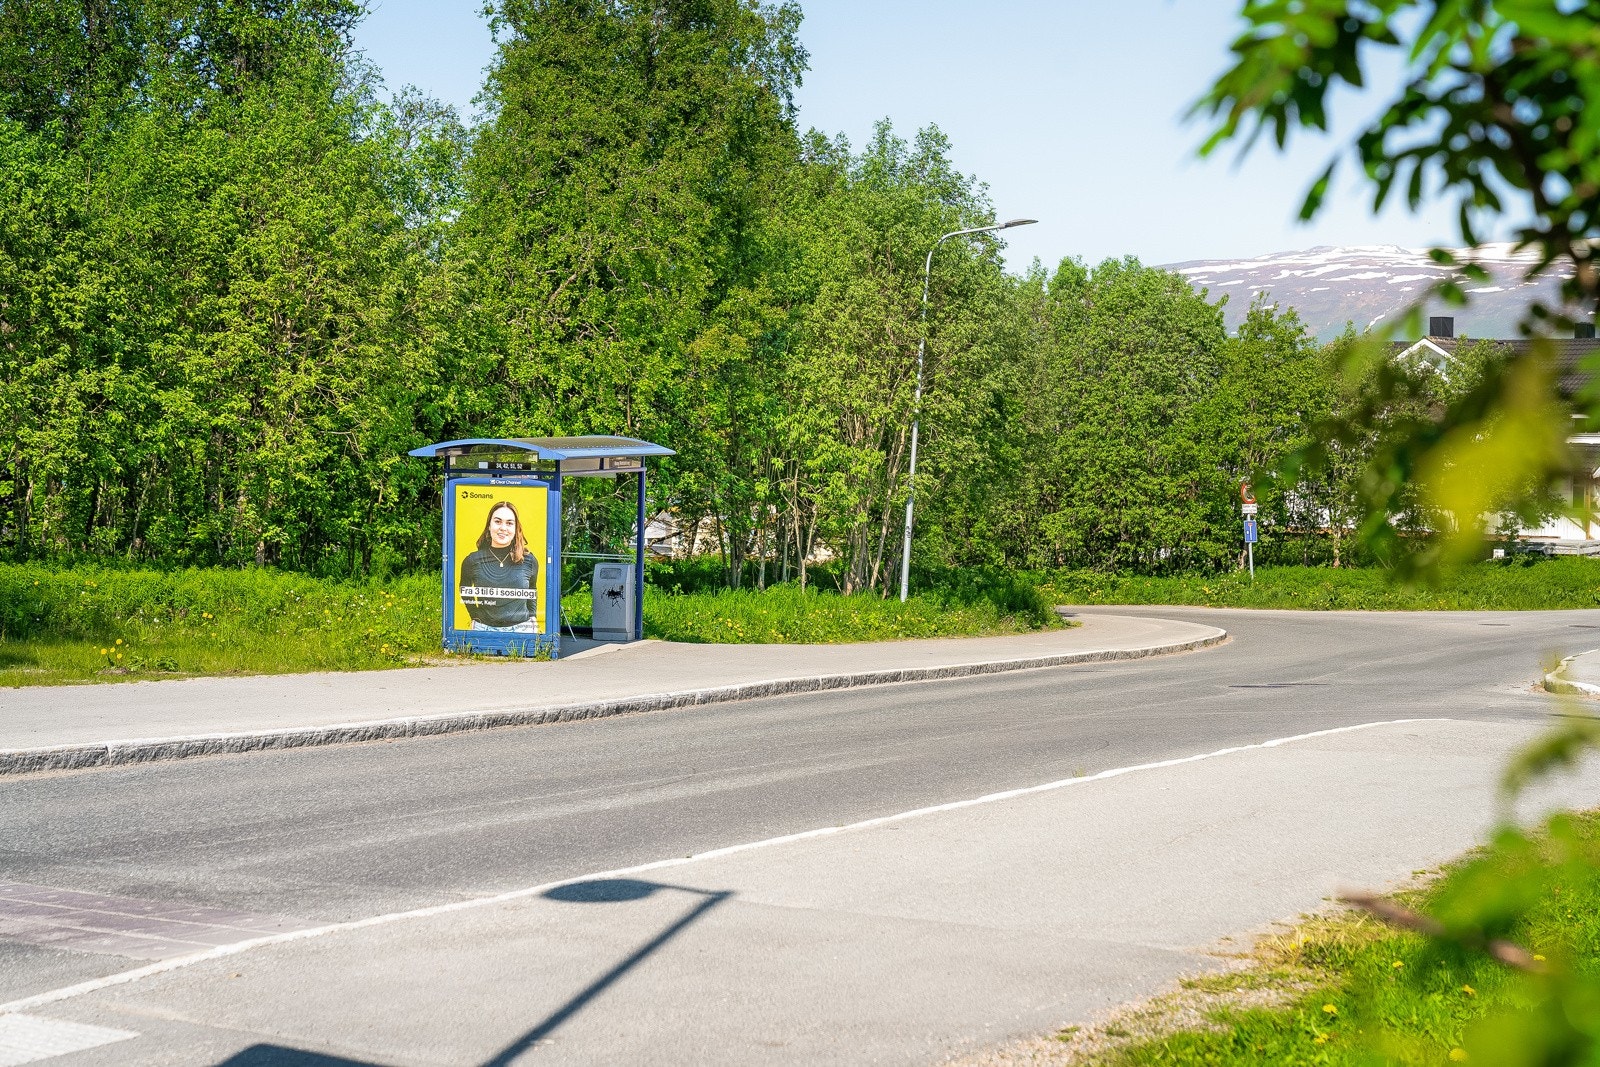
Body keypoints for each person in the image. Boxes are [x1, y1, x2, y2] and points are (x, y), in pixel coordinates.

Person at [459, 500, 539, 631]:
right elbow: (464, 589)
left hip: (522, 629)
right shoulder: (472, 560)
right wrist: (475, 617)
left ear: (516, 529)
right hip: (483, 629)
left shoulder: (529, 560)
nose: (503, 528)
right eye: (498, 521)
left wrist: (533, 616)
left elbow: (532, 589)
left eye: (509, 523)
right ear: (489, 526)